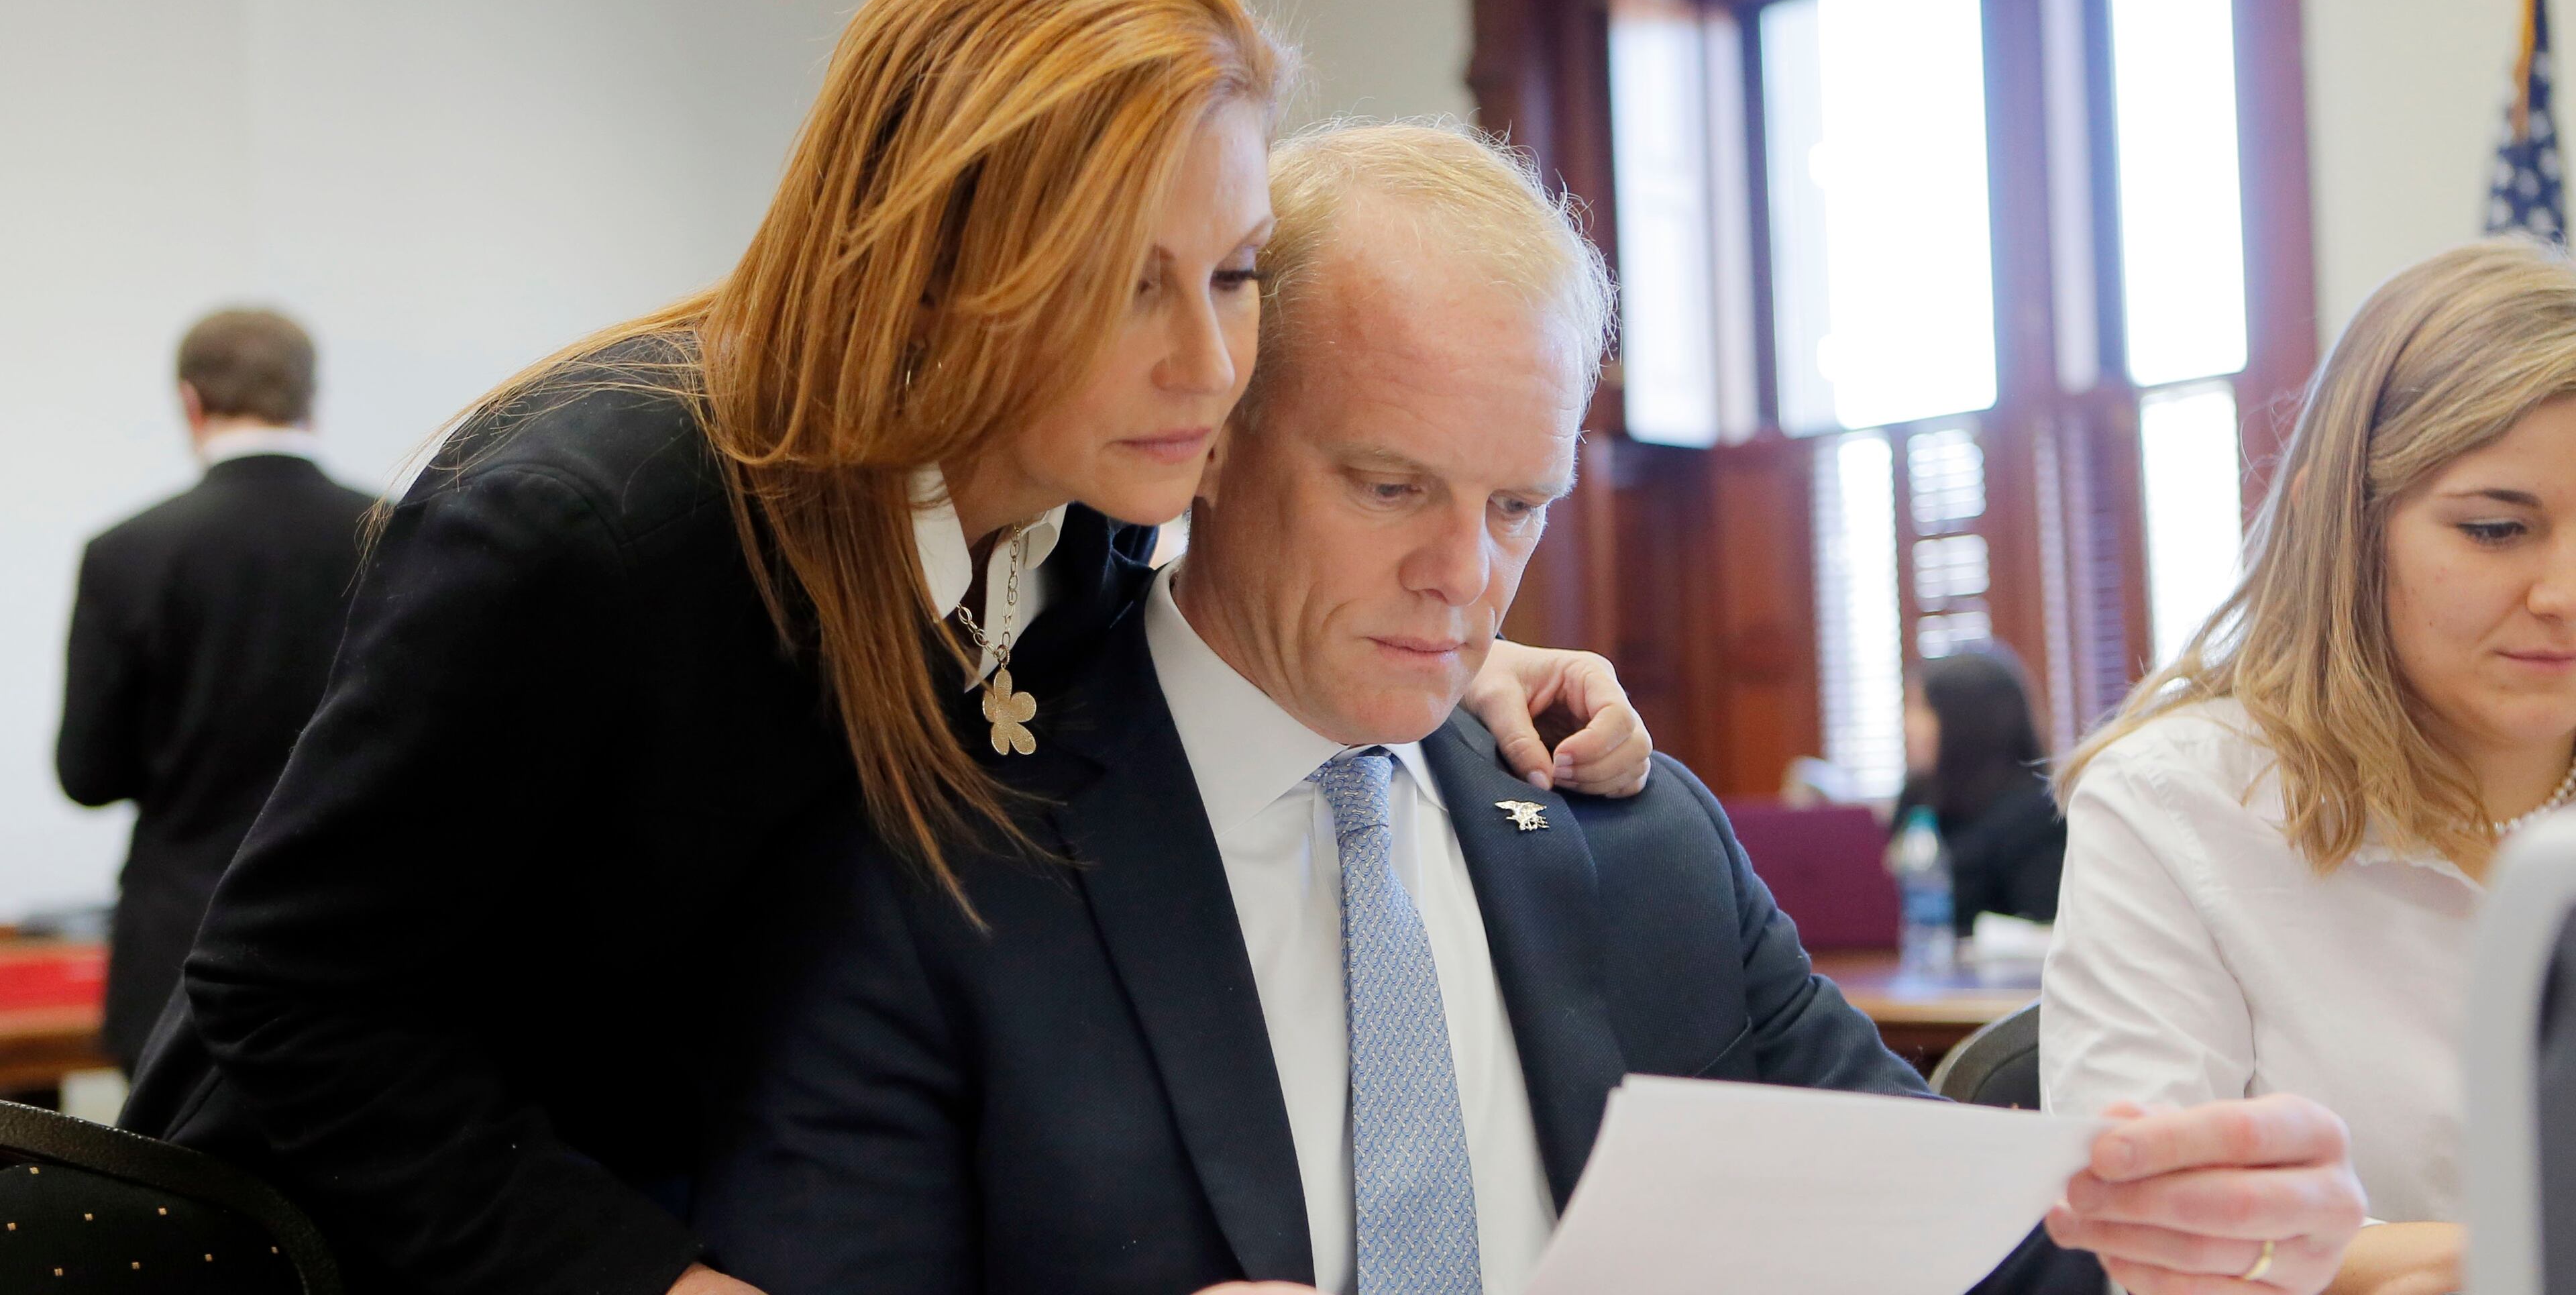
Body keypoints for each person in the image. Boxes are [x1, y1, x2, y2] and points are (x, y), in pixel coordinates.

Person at [117, 0, 1651, 1295]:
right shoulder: (592, 530)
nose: (1207, 361)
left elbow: (1263, 598)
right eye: (1129, 280)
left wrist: (1455, 648)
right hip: (343, 1236)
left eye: (1235, 272)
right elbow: (290, 1002)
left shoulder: (1092, 506)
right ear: (942, 259)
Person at [694, 120, 2369, 1295]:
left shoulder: (1625, 833)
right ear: (1206, 444)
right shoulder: (951, 838)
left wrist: (2176, 1247)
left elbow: (1945, 1247)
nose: (1462, 576)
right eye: (1387, 484)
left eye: (1518, 504)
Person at [2044, 239, 2576, 1295]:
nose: (2564, 592)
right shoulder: (2178, 804)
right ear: (2346, 526)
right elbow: (2142, 1230)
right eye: (2496, 529)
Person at [54, 308, 373, 1074]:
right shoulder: (395, 531)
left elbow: (88, 775)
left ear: (190, 402)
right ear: (311, 398)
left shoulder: (128, 553)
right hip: (357, 939)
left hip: (183, 951)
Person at [1897, 646, 2064, 933]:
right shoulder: (1918, 799)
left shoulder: (2038, 815)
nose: (1907, 725)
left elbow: (2045, 931)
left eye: (1922, 708)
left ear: (1965, 720)